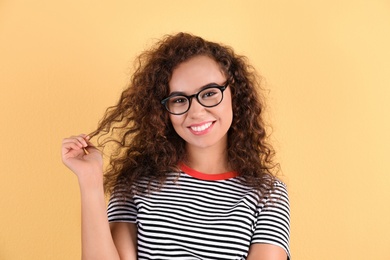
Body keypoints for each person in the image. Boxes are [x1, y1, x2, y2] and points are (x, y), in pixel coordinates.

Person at [61, 32, 291, 260]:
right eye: (180, 100)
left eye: (210, 93)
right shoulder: (135, 183)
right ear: (163, 112)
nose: (196, 112)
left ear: (236, 95)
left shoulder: (268, 194)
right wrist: (90, 180)